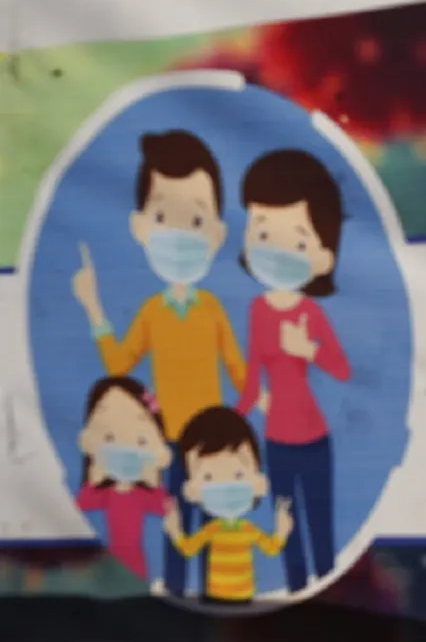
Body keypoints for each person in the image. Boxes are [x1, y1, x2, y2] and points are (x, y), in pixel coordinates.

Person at [71, 130, 249, 596]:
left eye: (195, 220)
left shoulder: (212, 308)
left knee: (213, 529)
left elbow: (237, 367)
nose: (179, 235)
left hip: (210, 445)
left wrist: (249, 413)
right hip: (168, 440)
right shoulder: (152, 312)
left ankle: (214, 596)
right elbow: (118, 365)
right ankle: (175, 597)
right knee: (175, 530)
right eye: (164, 218)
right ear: (140, 227)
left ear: (217, 233)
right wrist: (93, 308)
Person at [234, 149, 351, 593]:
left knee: (319, 521)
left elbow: (340, 368)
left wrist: (309, 350)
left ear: (322, 258)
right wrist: (233, 420)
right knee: (286, 525)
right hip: (277, 439)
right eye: (263, 234)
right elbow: (251, 374)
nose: (277, 251)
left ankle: (331, 592)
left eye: (297, 243)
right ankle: (299, 591)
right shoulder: (257, 311)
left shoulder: (311, 313)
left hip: (314, 437)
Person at [164, 406, 293, 604]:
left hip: (245, 596)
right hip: (216, 596)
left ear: (258, 480)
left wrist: (282, 530)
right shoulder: (213, 529)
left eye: (238, 474)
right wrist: (175, 529)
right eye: (208, 477)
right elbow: (189, 548)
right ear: (192, 489)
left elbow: (271, 547)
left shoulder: (247, 529)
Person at [74, 376, 173, 580]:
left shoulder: (143, 494)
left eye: (141, 441)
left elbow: (166, 506)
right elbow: (82, 503)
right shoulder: (107, 493)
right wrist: (95, 475)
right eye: (109, 438)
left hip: (136, 559)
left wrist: (153, 475)